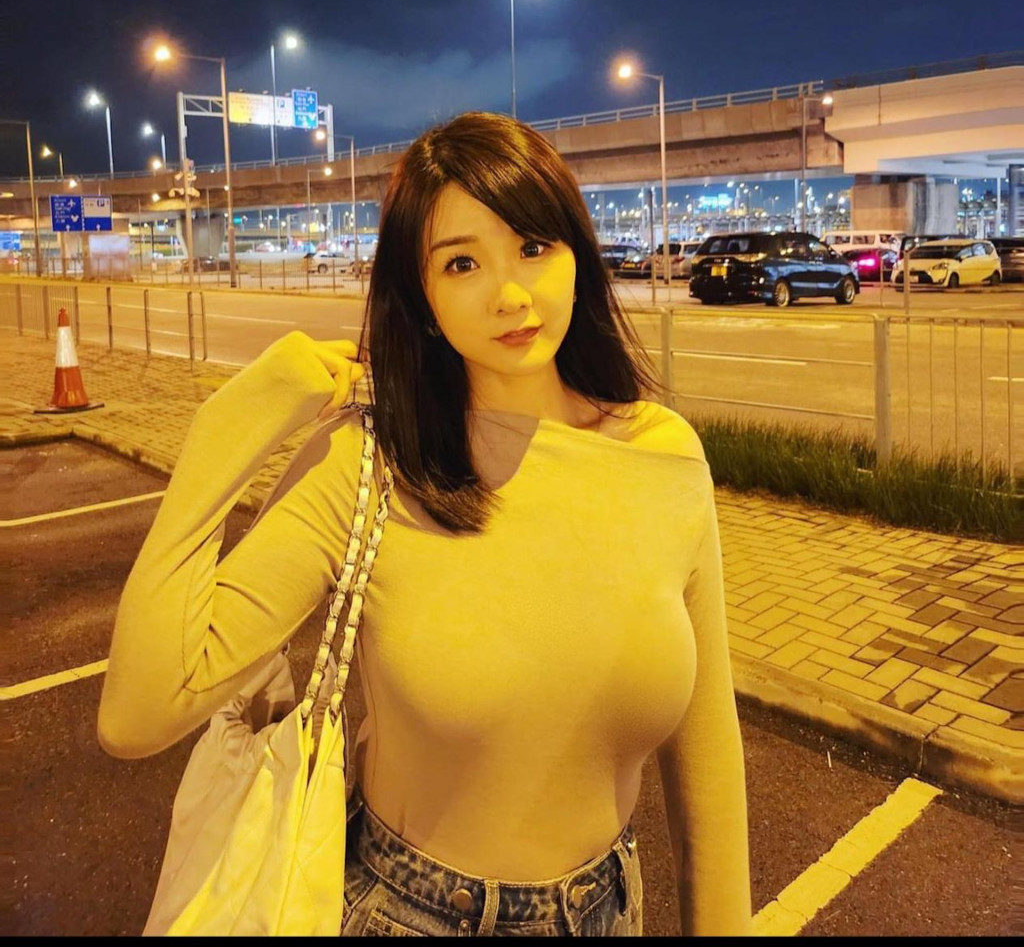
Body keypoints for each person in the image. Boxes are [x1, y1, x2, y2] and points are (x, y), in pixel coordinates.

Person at [98, 110, 751, 937]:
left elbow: (708, 757)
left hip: (607, 912)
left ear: (576, 255)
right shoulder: (369, 466)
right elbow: (137, 715)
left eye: (533, 246)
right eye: (462, 263)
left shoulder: (664, 456)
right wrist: (225, 431)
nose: (510, 294)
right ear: (424, 296)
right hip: (409, 914)